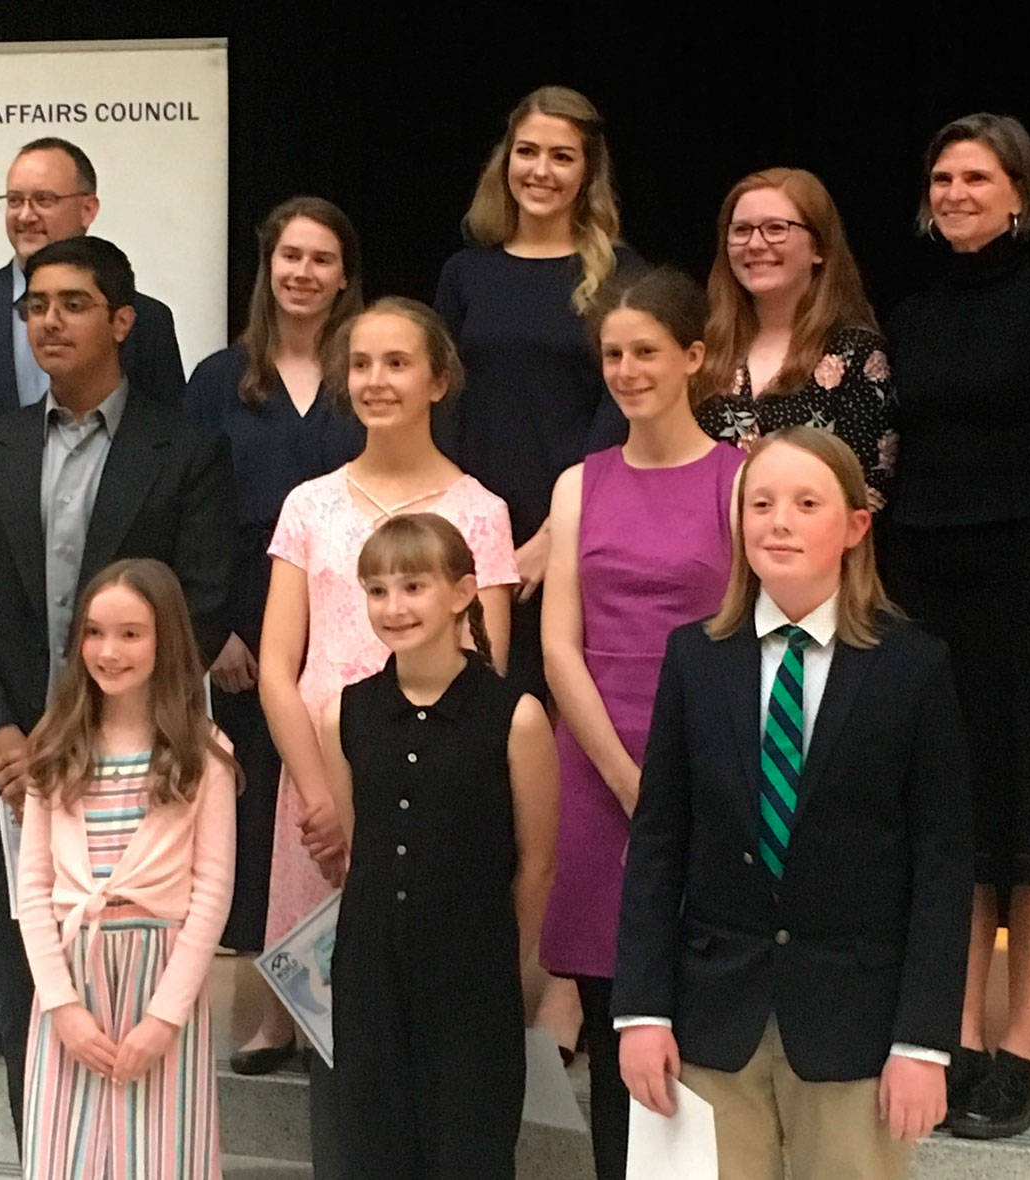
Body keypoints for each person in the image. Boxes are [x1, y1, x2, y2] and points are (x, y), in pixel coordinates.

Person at [0, 235, 233, 1138]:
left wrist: (112, 729)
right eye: (35, 306)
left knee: (140, 1015)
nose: (48, 320)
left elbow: (203, 605)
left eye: (71, 303)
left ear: (122, 321)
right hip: (14, 765)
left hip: (141, 766)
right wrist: (1, 734)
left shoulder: (186, 451)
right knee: (33, 1000)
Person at [0, 135, 185, 1054]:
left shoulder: (149, 318)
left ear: (86, 210)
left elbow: (162, 458)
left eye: (44, 199)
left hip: (107, 638)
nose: (25, 214)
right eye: (13, 200)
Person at [613, 427, 971, 1180]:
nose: (778, 521)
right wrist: (641, 1010)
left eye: (807, 503)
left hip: (855, 1026)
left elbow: (942, 868)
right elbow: (657, 844)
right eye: (761, 503)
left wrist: (923, 1042)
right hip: (711, 1020)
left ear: (855, 526)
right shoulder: (695, 659)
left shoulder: (913, 668)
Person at [254, 298, 518, 1177]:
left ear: (438, 379)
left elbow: (485, 675)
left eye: (397, 363)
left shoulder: (480, 510)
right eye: (360, 363)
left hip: (432, 804)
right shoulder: (309, 503)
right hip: (323, 782)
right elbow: (276, 666)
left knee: (434, 1046)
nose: (376, 380)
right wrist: (324, 793)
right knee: (347, 1027)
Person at [886, 112, 1030, 1139]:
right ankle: (958, 1037)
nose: (955, 191)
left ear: (1019, 192)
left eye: (975, 176)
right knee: (956, 830)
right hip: (926, 585)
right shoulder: (910, 316)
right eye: (940, 177)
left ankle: (1019, 1059)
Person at [434, 82, 641, 1061]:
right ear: (503, 160)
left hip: (577, 546)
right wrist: (468, 542)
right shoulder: (465, 274)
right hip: (469, 547)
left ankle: (562, 980)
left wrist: (543, 543)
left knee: (564, 770)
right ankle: (490, 968)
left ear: (586, 170)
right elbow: (441, 401)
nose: (540, 170)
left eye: (561, 155)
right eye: (526, 151)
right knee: (480, 763)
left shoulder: (617, 275)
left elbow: (620, 413)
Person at [538, 267, 743, 1179]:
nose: (626, 369)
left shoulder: (741, 483)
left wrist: (678, 783)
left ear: (694, 358)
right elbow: (557, 651)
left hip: (714, 764)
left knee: (703, 1016)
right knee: (614, 1004)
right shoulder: (579, 483)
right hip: (593, 763)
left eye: (646, 352)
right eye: (613, 354)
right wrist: (627, 779)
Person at [321, 514, 557, 1178]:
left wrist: (504, 961)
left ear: (461, 593)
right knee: (375, 1151)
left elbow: (537, 861)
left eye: (413, 587)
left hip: (473, 973)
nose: (393, 607)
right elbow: (357, 845)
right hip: (370, 969)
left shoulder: (515, 714)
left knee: (469, 1153)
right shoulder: (346, 712)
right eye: (377, 590)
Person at [184, 197, 364, 1000]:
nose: (303, 273)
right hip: (245, 623)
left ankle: (350, 983)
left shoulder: (369, 367)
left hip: (359, 608)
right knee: (259, 804)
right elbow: (188, 506)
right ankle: (270, 1003)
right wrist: (209, 630)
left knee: (352, 789)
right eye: (290, 256)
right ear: (267, 267)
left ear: (345, 277)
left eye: (322, 259)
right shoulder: (219, 379)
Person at [18, 558, 238, 1179]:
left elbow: (211, 894)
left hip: (160, 985)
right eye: (94, 632)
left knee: (163, 1158)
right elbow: (32, 891)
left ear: (166, 641)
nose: (109, 651)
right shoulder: (55, 745)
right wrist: (63, 1006)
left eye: (131, 634)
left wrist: (163, 1019)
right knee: (67, 1157)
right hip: (73, 981)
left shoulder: (205, 752)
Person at [694, 167, 897, 511]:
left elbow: (865, 493)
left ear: (818, 247)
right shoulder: (700, 348)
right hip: (705, 556)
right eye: (741, 230)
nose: (756, 244)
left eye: (776, 228)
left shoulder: (856, 355)